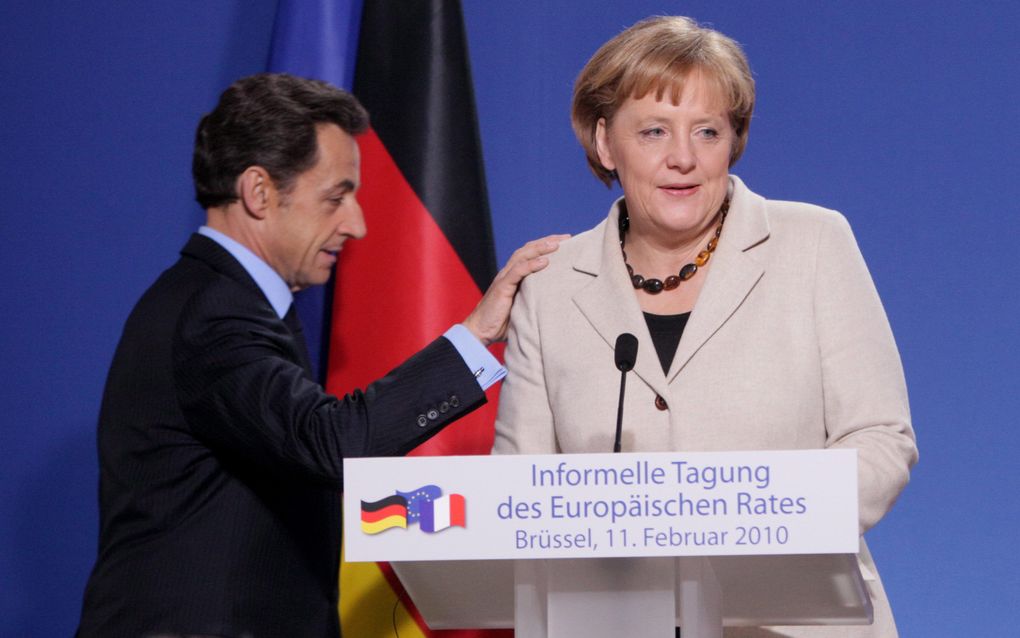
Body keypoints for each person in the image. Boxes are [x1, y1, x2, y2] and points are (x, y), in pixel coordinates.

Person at [76, 73, 564, 637]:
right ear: (259, 192)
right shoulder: (214, 313)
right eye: (335, 197)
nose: (355, 224)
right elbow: (331, 444)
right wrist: (475, 336)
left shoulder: (226, 302)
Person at [493, 16, 917, 637]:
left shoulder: (813, 243)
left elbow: (882, 438)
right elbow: (520, 490)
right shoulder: (552, 286)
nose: (683, 158)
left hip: (795, 620)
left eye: (707, 131)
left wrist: (759, 518)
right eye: (655, 131)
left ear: (733, 140)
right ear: (606, 143)